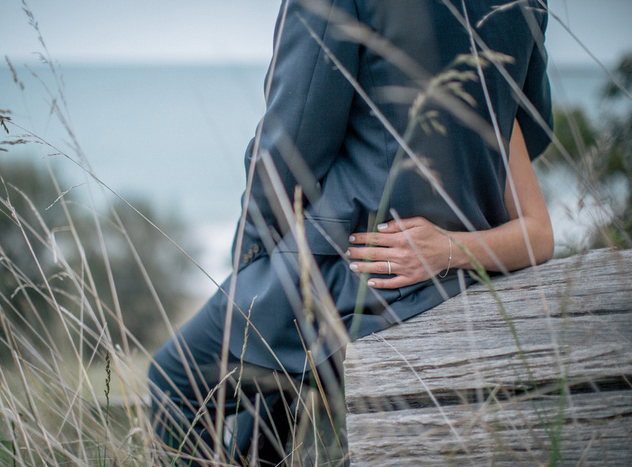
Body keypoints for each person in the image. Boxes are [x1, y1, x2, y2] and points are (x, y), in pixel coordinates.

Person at [148, 0, 554, 464]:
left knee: (173, 381)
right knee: (265, 398)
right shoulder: (527, 4)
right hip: (467, 280)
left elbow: (290, 145)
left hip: (353, 275)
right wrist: (452, 242)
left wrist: (251, 254)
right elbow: (523, 125)